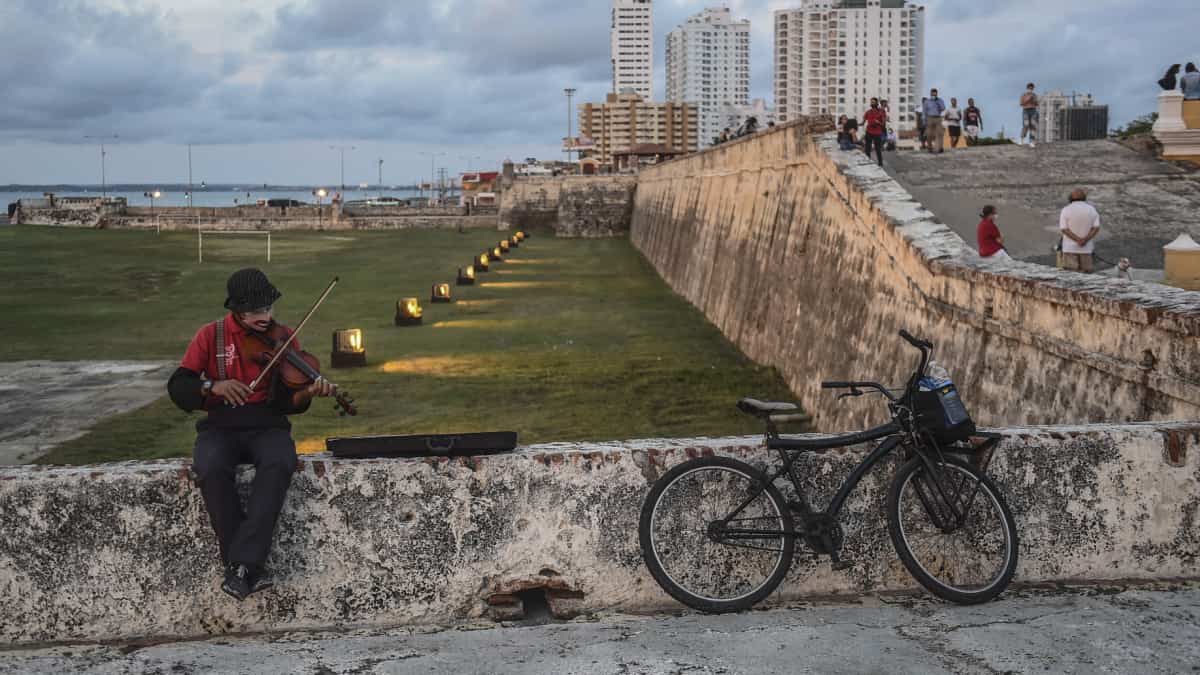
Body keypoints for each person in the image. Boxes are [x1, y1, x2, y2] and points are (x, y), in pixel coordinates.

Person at [168, 268, 335, 601]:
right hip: (220, 424)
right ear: (237, 310)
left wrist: (307, 394)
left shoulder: (284, 337)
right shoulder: (210, 335)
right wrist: (212, 385)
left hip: (266, 424)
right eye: (256, 311)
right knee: (211, 467)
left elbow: (288, 402)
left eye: (268, 309)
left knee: (279, 461)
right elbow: (178, 385)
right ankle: (247, 567)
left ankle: (241, 567)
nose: (265, 317)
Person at [1059, 189, 1101, 273]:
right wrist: (1084, 240)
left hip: (1069, 248)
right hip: (1086, 248)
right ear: (1084, 198)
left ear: (1070, 198)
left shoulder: (1066, 209)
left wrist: (1077, 240)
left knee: (1071, 274)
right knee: (1087, 275)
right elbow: (1096, 228)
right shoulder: (1091, 209)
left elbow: (1064, 229)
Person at [862, 98, 887, 166]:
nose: (872, 103)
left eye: (873, 102)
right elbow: (863, 122)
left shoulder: (881, 112)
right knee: (867, 149)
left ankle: (880, 163)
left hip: (877, 133)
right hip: (869, 132)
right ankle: (868, 162)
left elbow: (883, 124)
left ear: (876, 103)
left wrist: (878, 122)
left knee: (877, 149)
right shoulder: (868, 112)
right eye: (871, 102)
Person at [923, 88, 947, 153]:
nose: (933, 94)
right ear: (930, 93)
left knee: (940, 133)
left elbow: (943, 108)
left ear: (936, 94)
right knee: (929, 134)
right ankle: (930, 147)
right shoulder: (927, 101)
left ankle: (940, 148)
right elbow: (924, 112)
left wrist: (937, 101)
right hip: (929, 118)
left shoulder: (940, 100)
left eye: (935, 93)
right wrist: (924, 121)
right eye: (932, 93)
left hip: (938, 118)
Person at [1020, 83, 1039, 147]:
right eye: (1029, 88)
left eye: (1032, 88)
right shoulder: (1024, 95)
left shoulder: (1034, 95)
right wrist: (1028, 99)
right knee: (1026, 125)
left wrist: (1034, 100)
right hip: (1026, 110)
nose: (1030, 89)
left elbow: (1037, 103)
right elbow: (1021, 103)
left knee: (1033, 126)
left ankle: (1031, 141)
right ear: (1027, 88)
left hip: (1033, 110)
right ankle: (1022, 139)